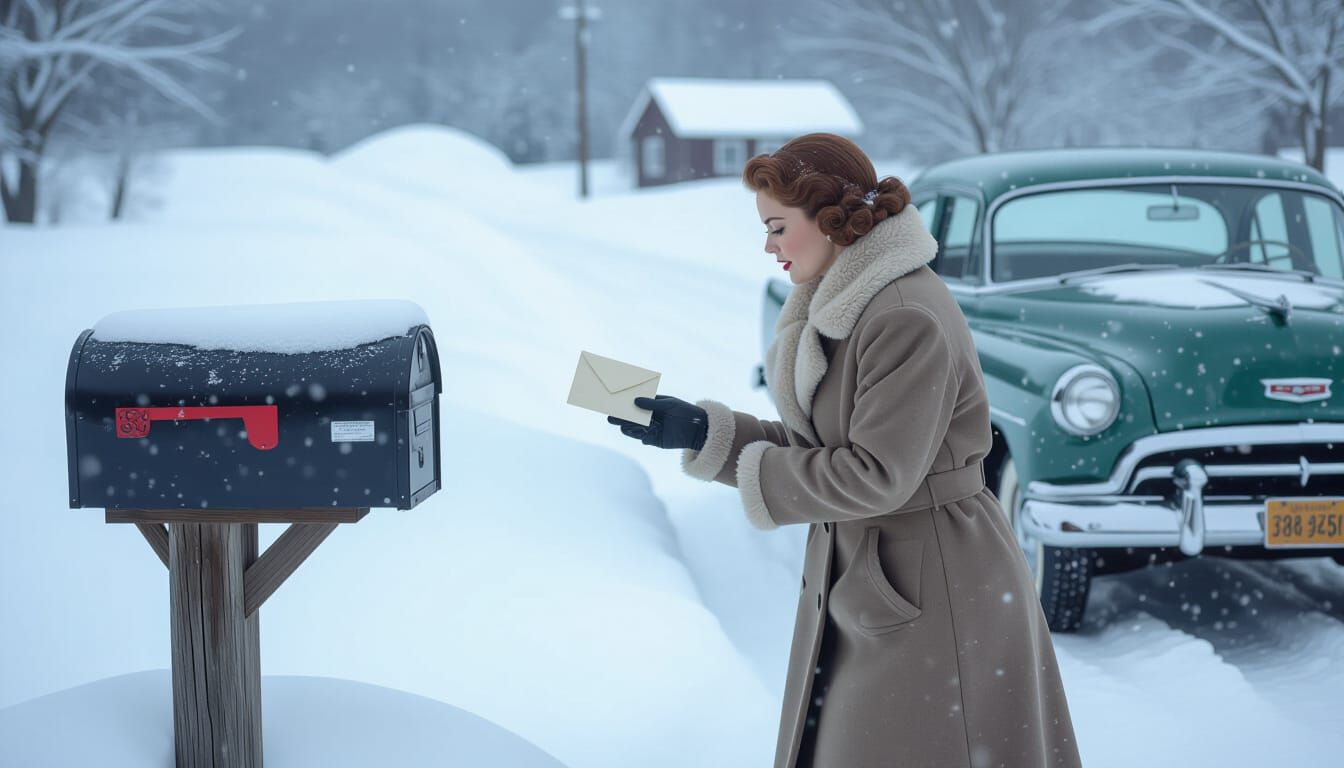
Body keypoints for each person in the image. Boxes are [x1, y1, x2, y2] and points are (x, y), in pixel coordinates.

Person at [609, 133, 1084, 767]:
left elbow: (874, 473)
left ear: (829, 219)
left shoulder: (902, 314)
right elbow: (827, 449)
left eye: (778, 226)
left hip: (934, 578)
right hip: (884, 573)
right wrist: (704, 433)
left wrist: (750, 464)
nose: (768, 245)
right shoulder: (845, 302)